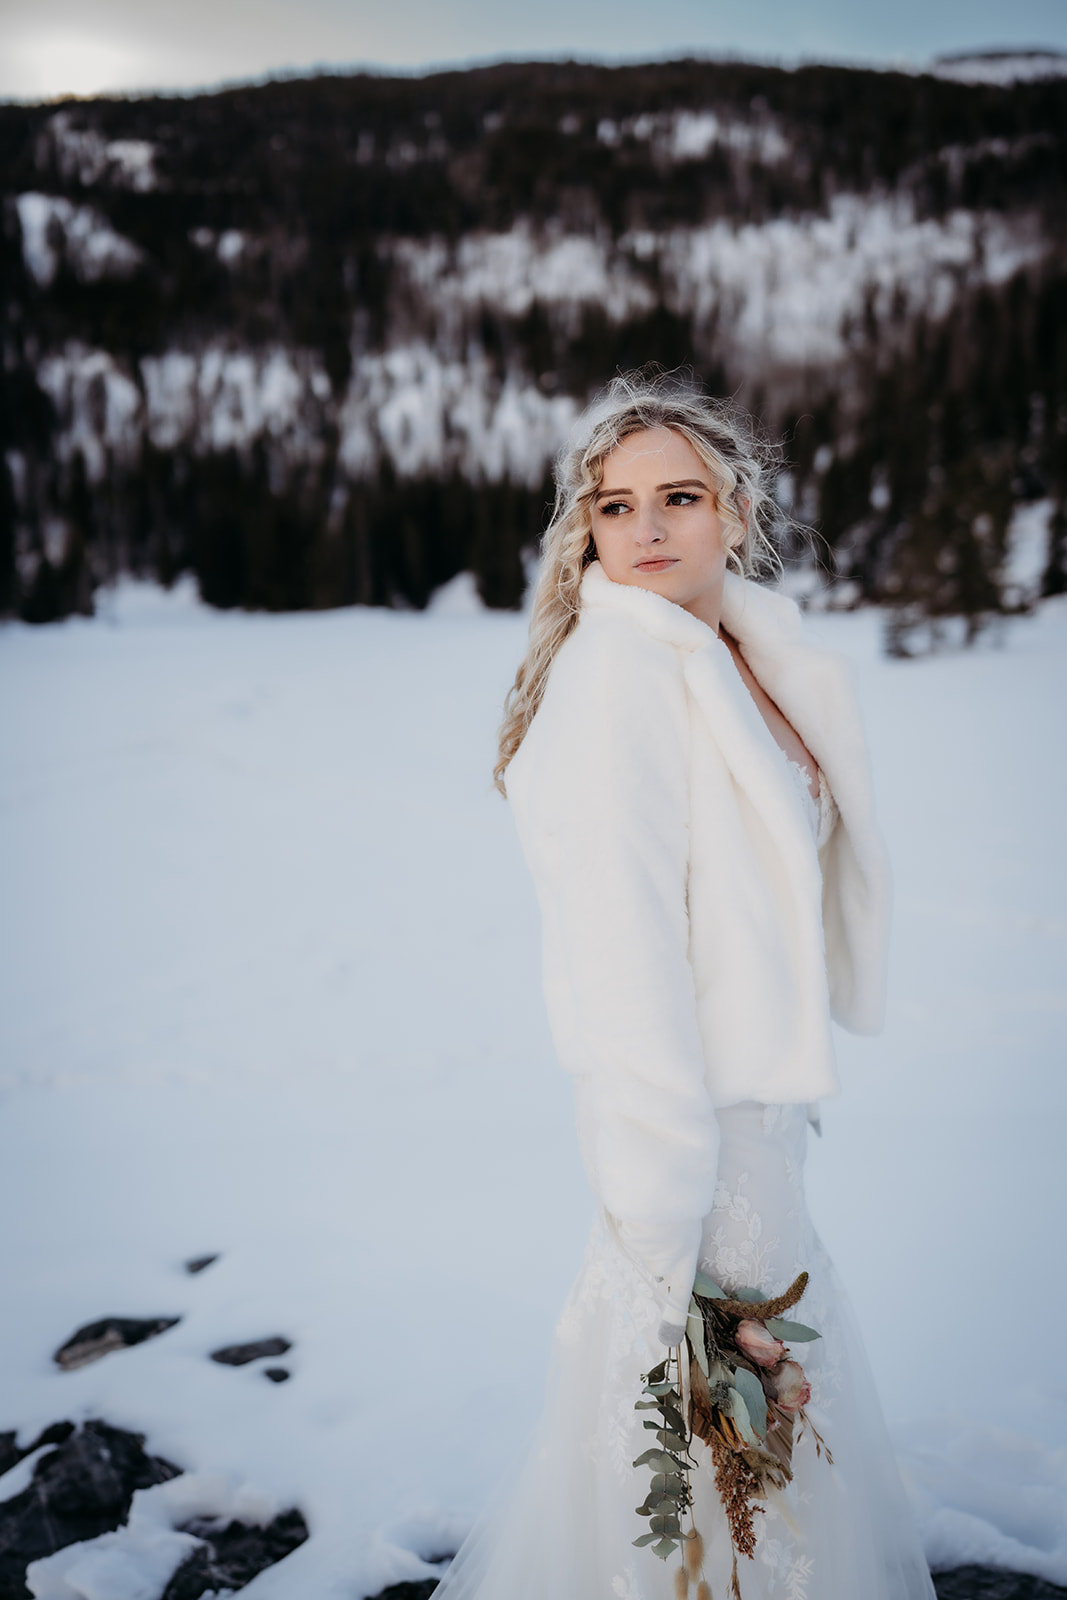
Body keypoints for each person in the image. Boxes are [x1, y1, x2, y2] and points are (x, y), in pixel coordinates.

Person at [436, 372, 935, 1600]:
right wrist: (666, 1225)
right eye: (613, 507)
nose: (646, 530)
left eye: (677, 497)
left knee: (746, 1456)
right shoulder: (620, 680)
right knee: (708, 1459)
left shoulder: (740, 653)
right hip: (694, 1144)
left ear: (735, 509)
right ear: (584, 527)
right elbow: (621, 962)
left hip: (758, 1124)